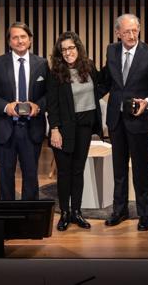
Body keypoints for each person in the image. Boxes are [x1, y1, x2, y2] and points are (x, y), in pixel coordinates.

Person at [101, 14, 148, 231]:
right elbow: (106, 82)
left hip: (139, 120)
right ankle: (119, 211)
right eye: (127, 31)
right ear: (118, 33)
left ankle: (145, 214)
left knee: (141, 169)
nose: (132, 35)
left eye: (135, 30)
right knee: (118, 169)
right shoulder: (111, 51)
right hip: (116, 119)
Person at [0, 22, 48, 201]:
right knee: (5, 176)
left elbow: (49, 94)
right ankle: (8, 216)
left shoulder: (42, 64)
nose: (20, 41)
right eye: (15, 37)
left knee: (30, 176)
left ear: (30, 40)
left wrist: (38, 106)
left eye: (23, 37)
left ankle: (30, 218)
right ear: (9, 42)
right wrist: (6, 107)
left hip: (32, 128)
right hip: (5, 128)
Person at [47, 31, 103, 231]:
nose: (68, 52)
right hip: (63, 128)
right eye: (63, 49)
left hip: (85, 127)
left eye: (71, 48)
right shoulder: (55, 73)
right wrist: (54, 129)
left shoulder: (89, 68)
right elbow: (51, 105)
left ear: (78, 48)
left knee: (78, 171)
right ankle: (64, 213)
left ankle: (76, 212)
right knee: (64, 172)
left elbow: (98, 90)